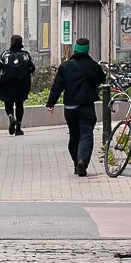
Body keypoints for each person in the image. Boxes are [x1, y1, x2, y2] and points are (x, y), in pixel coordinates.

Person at [45, 36, 106, 175]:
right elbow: (101, 78)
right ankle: (82, 161)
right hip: (86, 107)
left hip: (70, 108)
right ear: (88, 50)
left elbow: (57, 86)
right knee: (86, 135)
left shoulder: (65, 66)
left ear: (75, 49)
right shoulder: (93, 65)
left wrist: (51, 103)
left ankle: (75, 163)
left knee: (74, 136)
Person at [0, 33, 34, 135]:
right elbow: (32, 68)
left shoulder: (5, 54)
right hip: (22, 84)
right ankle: (18, 127)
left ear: (11, 42)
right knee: (19, 104)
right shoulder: (25, 55)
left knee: (8, 103)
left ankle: (10, 116)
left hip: (6, 83)